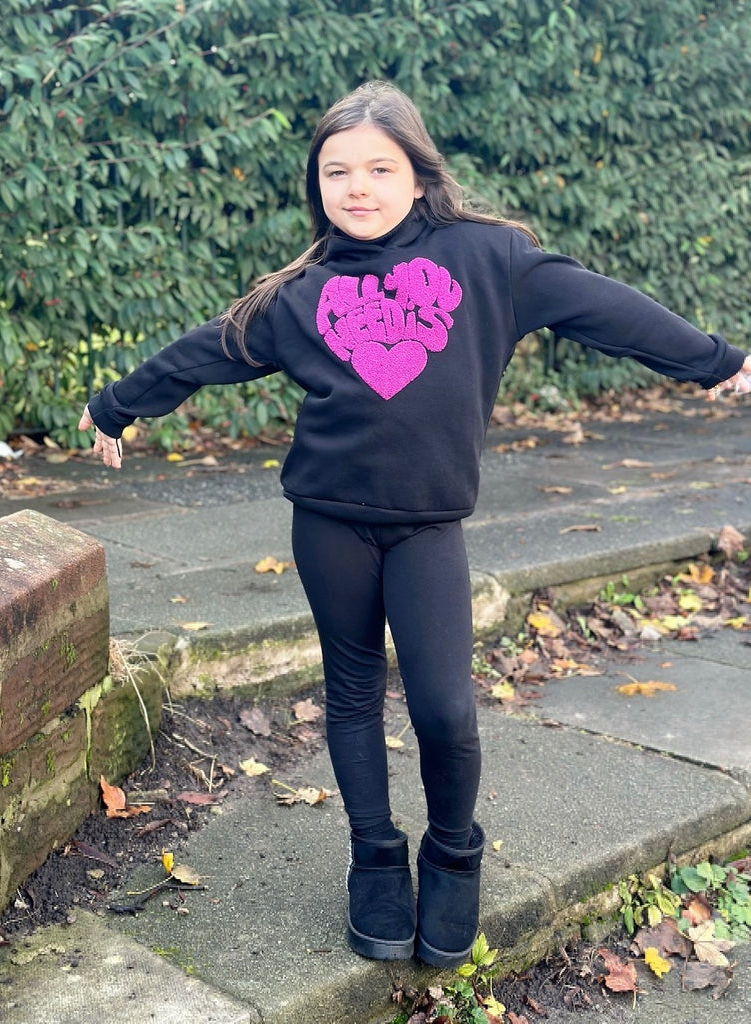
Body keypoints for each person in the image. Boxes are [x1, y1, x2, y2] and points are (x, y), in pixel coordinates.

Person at [79, 80, 750, 968]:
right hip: (328, 523)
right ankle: (374, 856)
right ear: (317, 185)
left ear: (419, 174)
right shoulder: (300, 295)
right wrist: (115, 406)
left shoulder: (490, 259)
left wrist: (715, 362)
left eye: (379, 168)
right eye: (336, 172)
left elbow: (607, 308)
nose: (357, 187)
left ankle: (453, 852)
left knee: (445, 709)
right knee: (353, 692)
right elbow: (205, 352)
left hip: (429, 528)